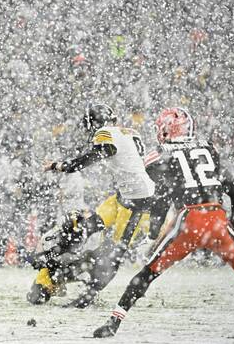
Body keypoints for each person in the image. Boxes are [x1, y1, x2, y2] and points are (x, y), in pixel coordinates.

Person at [93, 107, 234, 339]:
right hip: (217, 217)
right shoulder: (208, 147)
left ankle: (114, 321)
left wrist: (151, 224)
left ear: (165, 129)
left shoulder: (160, 154)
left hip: (189, 220)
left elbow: (153, 192)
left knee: (148, 272)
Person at [29, 103, 155, 308]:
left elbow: (98, 154)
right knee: (82, 226)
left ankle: (81, 290)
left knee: (111, 254)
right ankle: (54, 267)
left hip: (138, 203)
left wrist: (61, 166)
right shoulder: (129, 132)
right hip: (125, 196)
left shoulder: (106, 132)